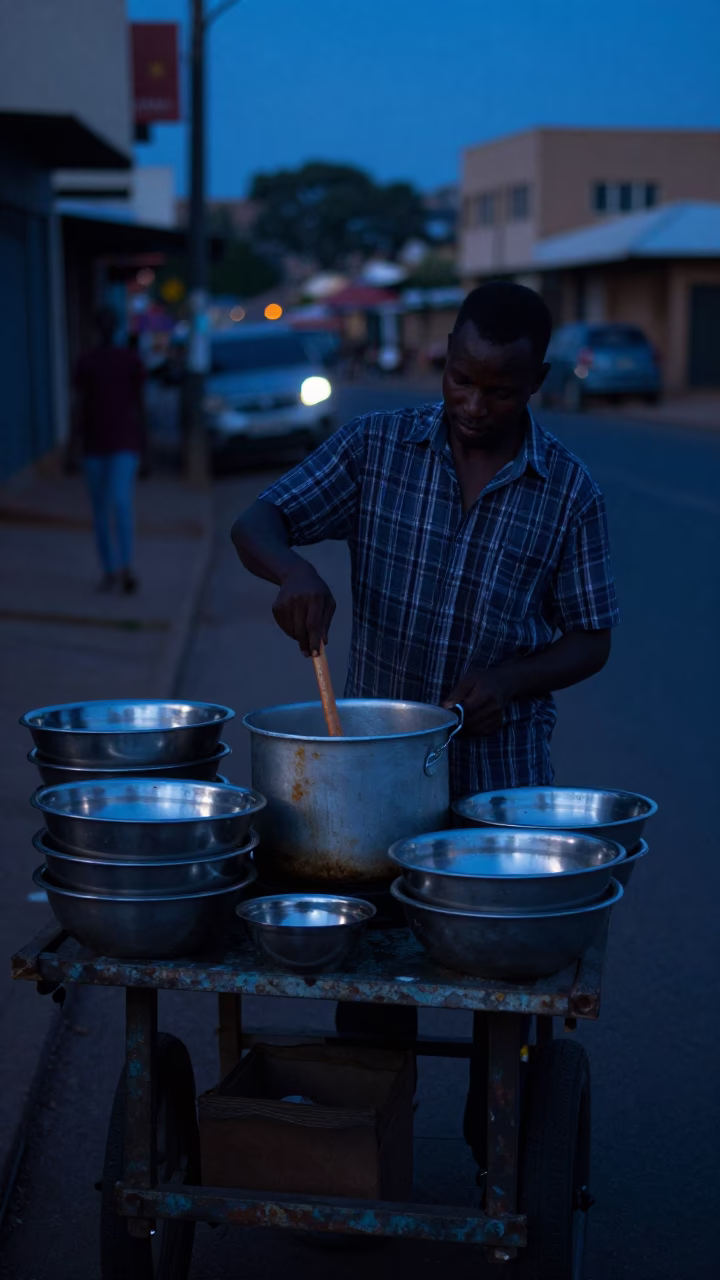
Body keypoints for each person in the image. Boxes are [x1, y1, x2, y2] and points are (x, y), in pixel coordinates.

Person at [231, 281, 619, 1167]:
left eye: (500, 390)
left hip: (498, 785)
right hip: (372, 788)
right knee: (373, 987)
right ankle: (367, 1144)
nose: (474, 404)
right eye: (460, 379)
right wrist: (293, 572)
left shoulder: (569, 493)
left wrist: (513, 678)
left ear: (538, 382)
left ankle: (502, 1138)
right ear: (442, 357)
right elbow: (260, 520)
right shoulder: (378, 447)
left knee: (499, 992)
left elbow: (592, 637)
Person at [70, 307, 147, 593]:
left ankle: (126, 567)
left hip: (124, 443)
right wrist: (72, 448)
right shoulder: (87, 361)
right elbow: (79, 406)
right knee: (100, 512)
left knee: (120, 502)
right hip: (94, 445)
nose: (104, 327)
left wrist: (146, 449)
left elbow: (141, 406)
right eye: (100, 323)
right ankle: (109, 570)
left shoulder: (130, 360)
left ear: (114, 327)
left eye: (109, 323)